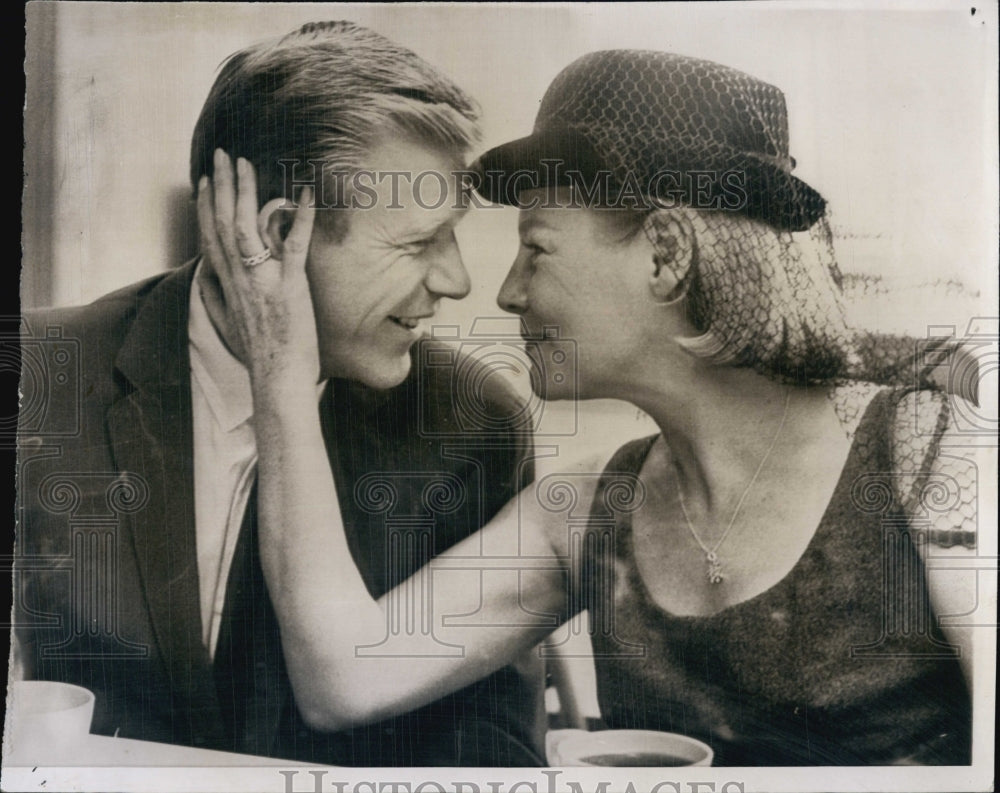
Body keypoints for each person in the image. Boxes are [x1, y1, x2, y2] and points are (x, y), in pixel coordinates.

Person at [201, 49, 984, 766]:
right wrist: (281, 369)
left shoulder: (933, 452)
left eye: (536, 247)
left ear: (666, 254)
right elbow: (340, 675)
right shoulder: (582, 515)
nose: (506, 291)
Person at [14, 21, 547, 766]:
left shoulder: (473, 424)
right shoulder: (37, 375)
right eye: (420, 243)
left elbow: (495, 752)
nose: (456, 280)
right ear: (276, 233)